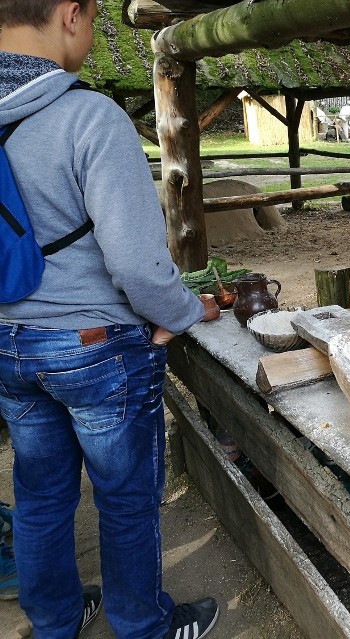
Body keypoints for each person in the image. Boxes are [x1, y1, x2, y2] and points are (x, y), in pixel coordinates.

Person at [0, 2, 219, 637]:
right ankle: (144, 627)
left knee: (40, 496)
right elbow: (139, 267)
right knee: (125, 499)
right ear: (72, 14)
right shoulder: (89, 118)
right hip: (94, 346)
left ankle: (56, 622)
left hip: (10, 349)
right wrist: (184, 312)